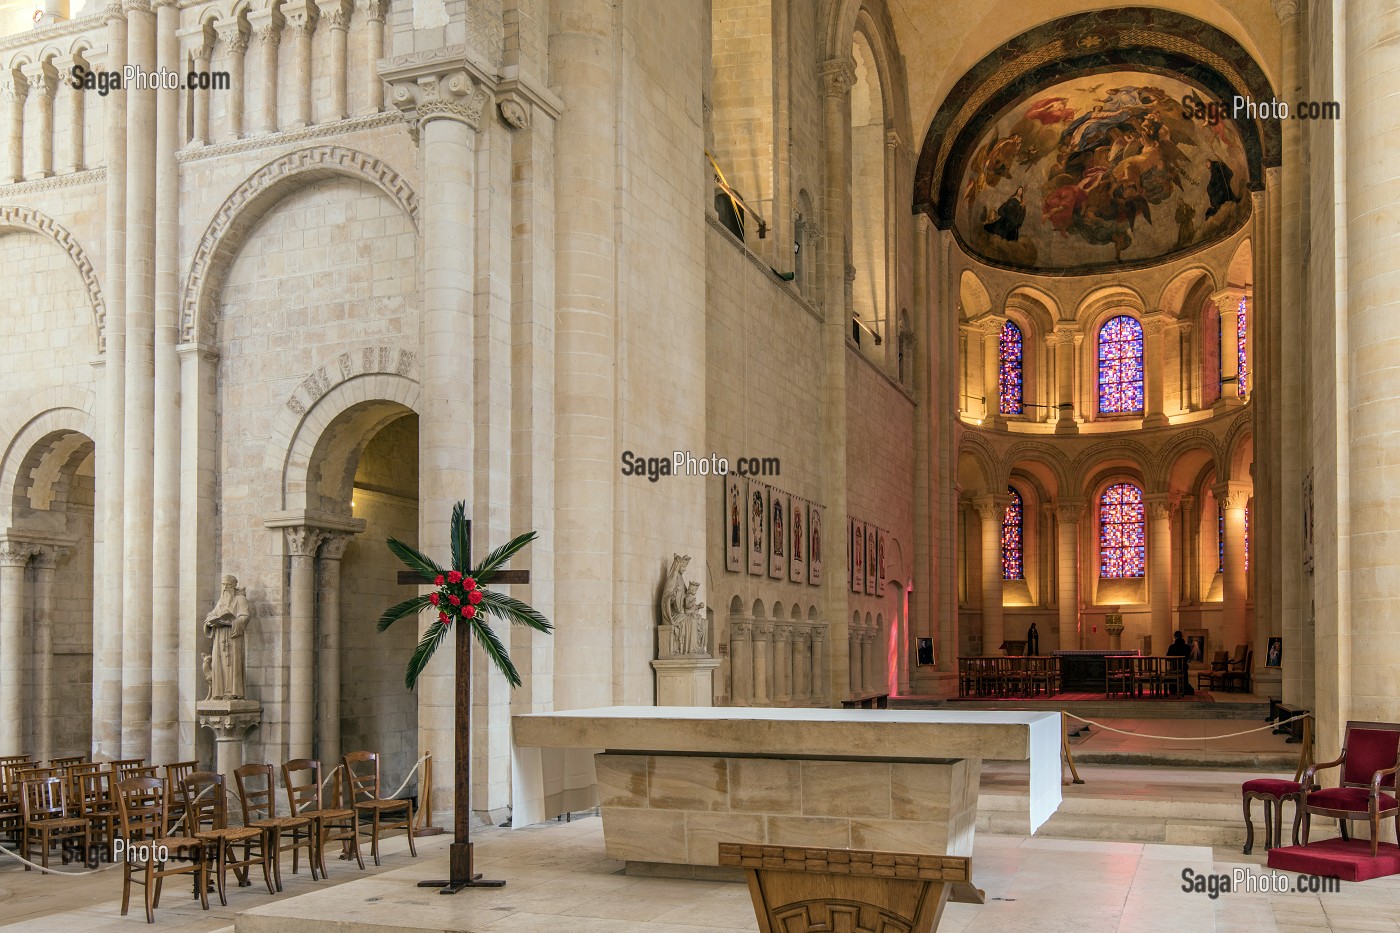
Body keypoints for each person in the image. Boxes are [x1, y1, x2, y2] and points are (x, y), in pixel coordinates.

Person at [1166, 630, 1194, 695]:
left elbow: (1168, 657)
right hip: (1183, 668)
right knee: (1184, 673)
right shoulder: (1187, 647)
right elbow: (1188, 657)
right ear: (1182, 637)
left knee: (1172, 672)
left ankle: (1173, 689)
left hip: (1174, 668)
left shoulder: (1172, 647)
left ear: (1175, 637)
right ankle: (1184, 688)